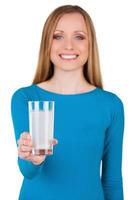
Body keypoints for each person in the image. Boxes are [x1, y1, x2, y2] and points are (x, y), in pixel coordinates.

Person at [11, 4, 125, 200]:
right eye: (58, 36)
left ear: (91, 44)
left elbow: (112, 180)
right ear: (47, 43)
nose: (69, 46)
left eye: (79, 36)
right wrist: (34, 159)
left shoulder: (111, 105)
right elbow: (29, 172)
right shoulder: (26, 98)